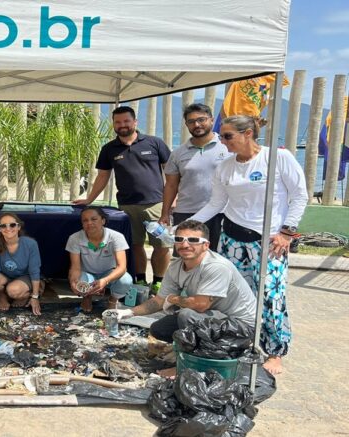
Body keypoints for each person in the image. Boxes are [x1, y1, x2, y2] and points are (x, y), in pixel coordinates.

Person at [187, 115, 308, 375]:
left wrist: (287, 233)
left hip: (268, 241)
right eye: (221, 136)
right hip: (231, 238)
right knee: (234, 296)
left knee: (270, 297)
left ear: (248, 133)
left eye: (228, 136)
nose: (223, 141)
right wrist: (186, 226)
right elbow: (215, 204)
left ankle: (276, 351)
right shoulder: (225, 166)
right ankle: (242, 342)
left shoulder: (278, 158)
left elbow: (300, 195)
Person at [115, 220, 257, 375]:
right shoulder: (176, 266)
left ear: (206, 245)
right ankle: (194, 350)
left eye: (193, 240)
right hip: (216, 318)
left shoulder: (216, 267)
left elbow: (200, 305)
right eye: (179, 240)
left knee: (187, 315)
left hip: (241, 327)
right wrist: (127, 313)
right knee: (159, 329)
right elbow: (158, 301)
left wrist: (174, 299)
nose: (185, 245)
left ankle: (185, 366)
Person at [74, 106, 172, 294]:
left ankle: (159, 282)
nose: (122, 125)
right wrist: (89, 199)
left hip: (157, 204)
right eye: (118, 122)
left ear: (135, 122)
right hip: (126, 207)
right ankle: (141, 280)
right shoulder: (109, 149)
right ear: (114, 125)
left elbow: (171, 173)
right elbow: (103, 176)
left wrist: (171, 201)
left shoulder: (154, 143)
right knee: (135, 244)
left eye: (126, 121)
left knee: (162, 245)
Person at [159, 103, 230, 250]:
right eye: (191, 122)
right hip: (186, 212)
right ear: (186, 124)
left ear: (211, 120)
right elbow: (171, 185)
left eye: (201, 119)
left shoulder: (228, 147)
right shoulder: (178, 153)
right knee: (186, 257)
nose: (197, 124)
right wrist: (165, 213)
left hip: (221, 213)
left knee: (218, 258)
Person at [66, 206, 133, 312]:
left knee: (126, 280)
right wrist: (73, 282)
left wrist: (105, 281)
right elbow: (75, 267)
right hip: (87, 274)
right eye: (85, 220)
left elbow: (122, 267)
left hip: (108, 273)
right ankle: (87, 297)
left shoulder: (116, 237)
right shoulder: (75, 238)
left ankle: (113, 299)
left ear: (103, 220)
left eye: (94, 219)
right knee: (79, 280)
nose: (89, 223)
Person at [0, 213, 42, 316]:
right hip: (5, 276)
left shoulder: (30, 244)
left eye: (12, 225)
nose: (8, 228)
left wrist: (35, 296)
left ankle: (26, 296)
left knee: (14, 290)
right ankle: (3, 297)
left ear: (18, 227)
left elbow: (34, 271)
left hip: (24, 276)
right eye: (3, 226)